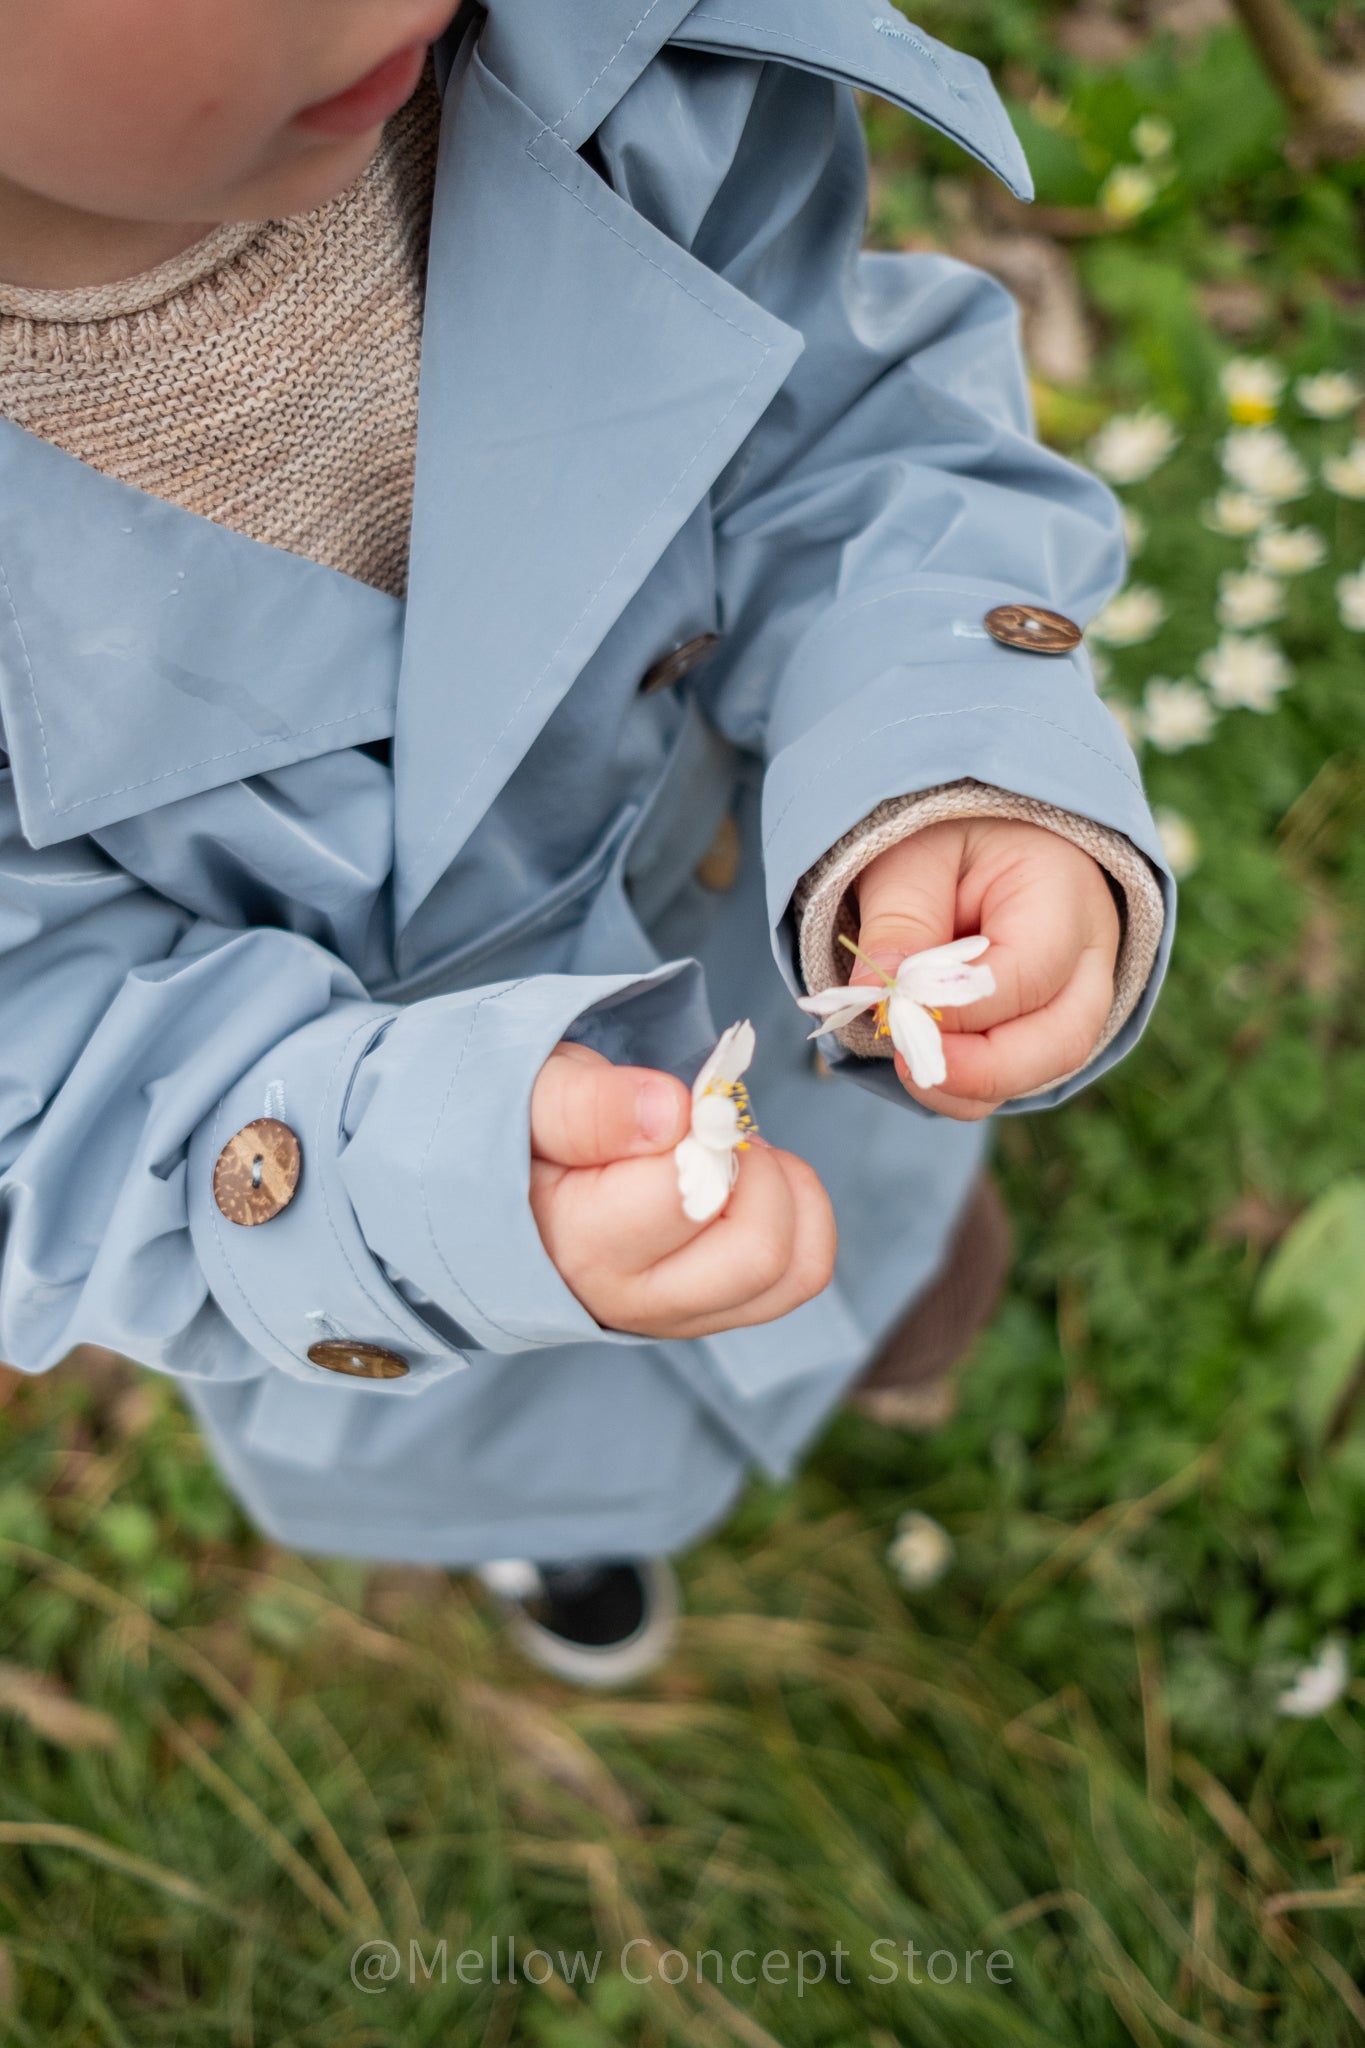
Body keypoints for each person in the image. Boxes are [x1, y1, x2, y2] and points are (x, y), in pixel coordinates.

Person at [0, 0, 1173, 1687]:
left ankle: (892, 1348)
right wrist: (433, 1192)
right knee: (525, 1431)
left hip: (775, 971)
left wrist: (943, 757)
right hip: (383, 1200)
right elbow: (49, 1077)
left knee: (894, 1256)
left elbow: (840, 449)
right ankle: (558, 1540)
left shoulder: (609, 74)